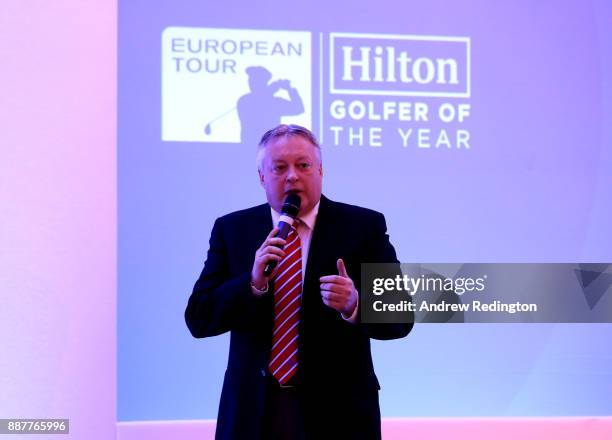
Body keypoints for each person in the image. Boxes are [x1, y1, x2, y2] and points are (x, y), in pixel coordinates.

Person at [185, 124, 413, 440]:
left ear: (320, 170)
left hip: (339, 414)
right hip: (253, 412)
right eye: (279, 168)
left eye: (303, 165)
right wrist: (252, 284)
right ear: (262, 177)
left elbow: (400, 318)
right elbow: (199, 318)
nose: (292, 176)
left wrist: (355, 304)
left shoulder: (363, 227)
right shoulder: (232, 229)